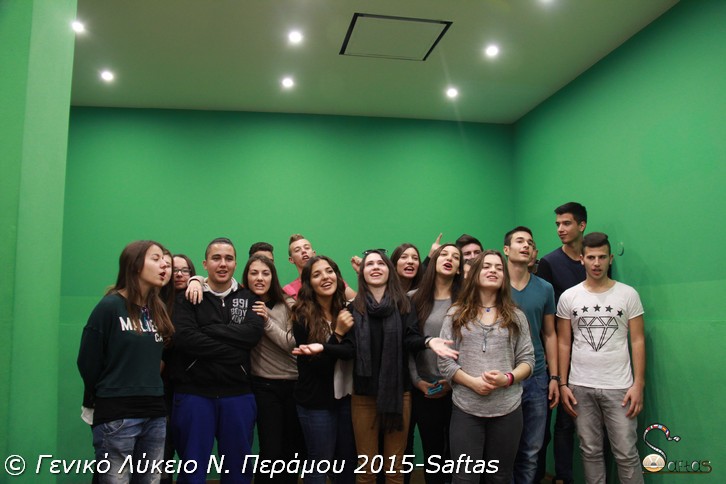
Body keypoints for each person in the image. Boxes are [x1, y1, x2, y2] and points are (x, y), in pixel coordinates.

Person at [349, 250, 458, 484]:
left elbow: (410, 339)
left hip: (399, 394)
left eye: (381, 263)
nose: (375, 267)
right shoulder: (352, 309)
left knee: (395, 470)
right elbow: (348, 349)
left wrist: (429, 341)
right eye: (370, 264)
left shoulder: (404, 304)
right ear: (362, 272)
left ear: (389, 270)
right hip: (363, 394)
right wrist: (330, 342)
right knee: (367, 470)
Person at [77, 240, 175, 483]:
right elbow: (88, 362)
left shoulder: (156, 308)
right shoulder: (109, 306)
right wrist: (111, 393)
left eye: (165, 260)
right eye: (155, 259)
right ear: (135, 265)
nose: (164, 264)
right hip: (117, 414)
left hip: (154, 412)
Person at [169, 237, 264, 484]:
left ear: (235, 263)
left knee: (238, 470)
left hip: (238, 394)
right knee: (192, 470)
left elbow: (252, 335)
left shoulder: (250, 299)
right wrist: (234, 350)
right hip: (194, 394)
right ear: (205, 264)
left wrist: (208, 330)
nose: (223, 264)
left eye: (229, 258)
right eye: (216, 258)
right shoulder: (186, 299)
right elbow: (186, 339)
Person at [438, 250, 534, 484]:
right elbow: (445, 361)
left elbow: (528, 360)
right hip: (466, 409)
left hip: (508, 410)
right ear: (475, 274)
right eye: (487, 266)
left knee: (500, 477)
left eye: (499, 268)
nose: (493, 271)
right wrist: (472, 383)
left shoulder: (517, 316)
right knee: (464, 478)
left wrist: (507, 379)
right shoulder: (455, 314)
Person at [557, 233, 645, 484]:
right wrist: (562, 383)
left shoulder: (628, 294)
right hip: (580, 387)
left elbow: (637, 340)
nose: (596, 263)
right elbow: (564, 342)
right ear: (582, 259)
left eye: (602, 257)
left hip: (620, 387)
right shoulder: (569, 297)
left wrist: (639, 384)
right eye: (591, 257)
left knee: (626, 453)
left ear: (610, 259)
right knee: (590, 451)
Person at [291, 255, 357, 484]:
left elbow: (352, 351)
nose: (325, 277)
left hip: (347, 398)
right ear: (309, 283)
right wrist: (338, 334)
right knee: (320, 464)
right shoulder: (301, 315)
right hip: (316, 402)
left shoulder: (347, 310)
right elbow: (318, 367)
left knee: (347, 464)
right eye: (317, 274)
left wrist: (325, 347)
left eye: (329, 271)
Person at [535, 202, 587, 484]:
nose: (560, 229)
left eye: (566, 223)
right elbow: (546, 318)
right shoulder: (549, 263)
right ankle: (561, 477)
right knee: (561, 422)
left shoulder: (593, 261)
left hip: (592, 352)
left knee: (588, 424)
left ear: (581, 225)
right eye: (557, 224)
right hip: (560, 353)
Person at [503, 227, 559, 483]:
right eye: (519, 241)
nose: (526, 245)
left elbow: (550, 334)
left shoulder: (545, 288)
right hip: (502, 377)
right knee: (504, 451)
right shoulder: (494, 284)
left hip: (536, 378)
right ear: (506, 250)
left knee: (531, 451)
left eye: (530, 242)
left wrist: (554, 377)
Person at [245, 254, 304, 484]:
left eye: (265, 273)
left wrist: (267, 322)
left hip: (294, 384)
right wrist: (195, 280)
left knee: (292, 450)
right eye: (254, 273)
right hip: (263, 385)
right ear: (246, 277)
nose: (260, 278)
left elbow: (292, 344)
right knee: (270, 450)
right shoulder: (241, 302)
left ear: (273, 277)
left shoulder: (287, 304)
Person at [408, 244, 463, 484]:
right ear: (434, 262)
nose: (449, 258)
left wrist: (453, 381)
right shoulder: (414, 298)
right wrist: (417, 381)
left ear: (459, 268)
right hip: (425, 389)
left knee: (457, 454)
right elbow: (407, 343)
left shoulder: (466, 301)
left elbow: (470, 346)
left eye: (455, 257)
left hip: (459, 388)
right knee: (433, 453)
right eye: (444, 254)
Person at [284, 234, 356, 299]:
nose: (303, 251)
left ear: (314, 254)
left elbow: (357, 303)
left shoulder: (331, 280)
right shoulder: (289, 290)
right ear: (291, 260)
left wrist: (360, 273)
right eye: (297, 250)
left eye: (307, 248)